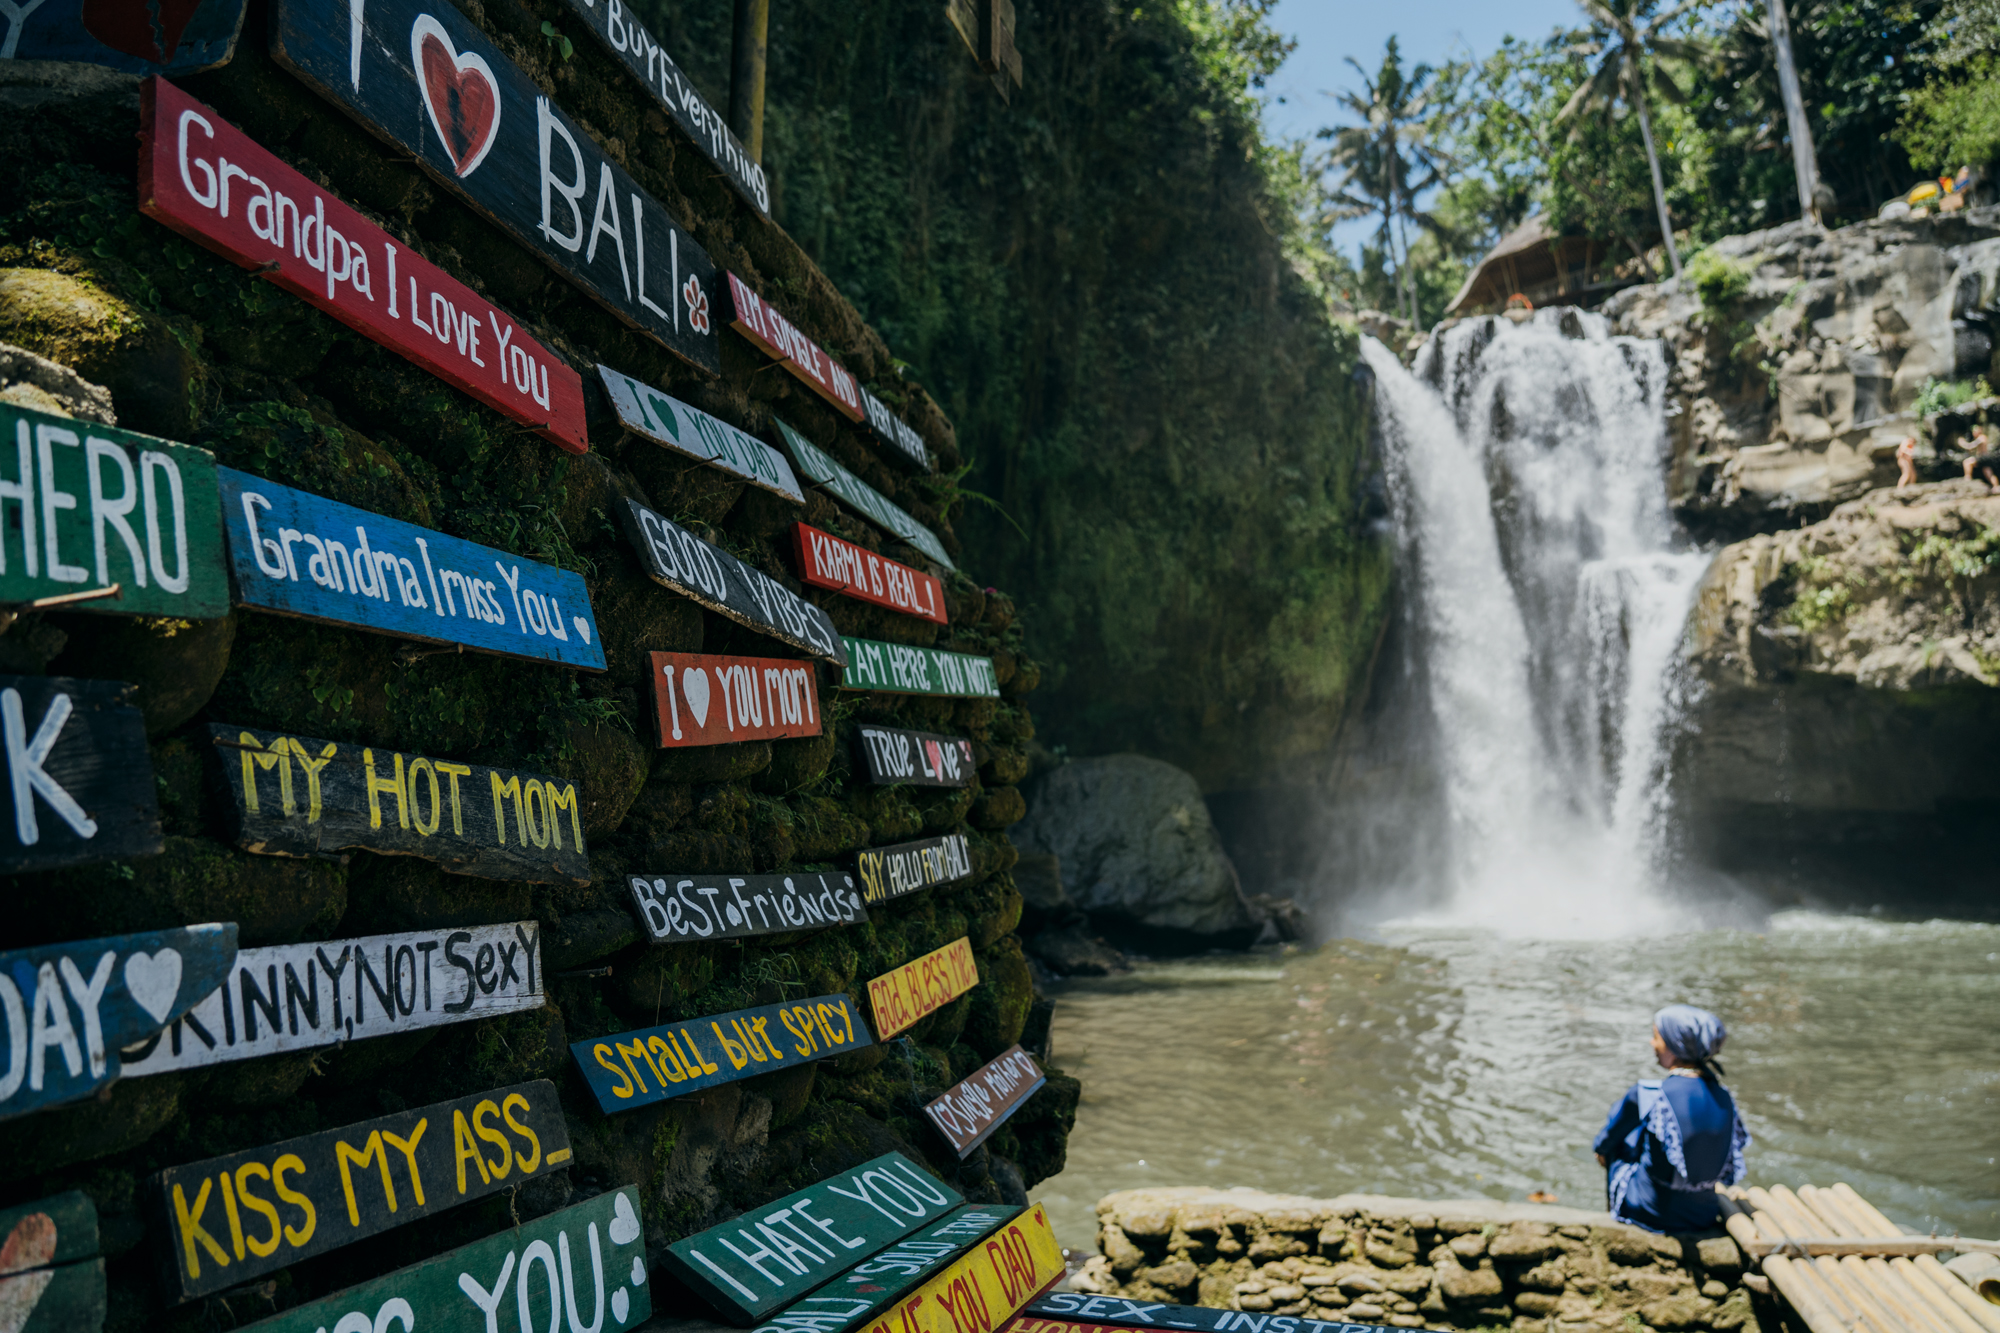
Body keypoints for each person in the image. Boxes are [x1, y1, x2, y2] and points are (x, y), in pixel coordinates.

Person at [1592, 1005, 1750, 1233]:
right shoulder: (1724, 1095)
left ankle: (1615, 1213)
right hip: (1702, 1214)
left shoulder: (1647, 1094)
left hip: (1651, 1211)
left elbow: (1603, 1144)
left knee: (1620, 1135)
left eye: (1656, 1037)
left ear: (1674, 1046)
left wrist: (1603, 1150)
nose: (1652, 1043)